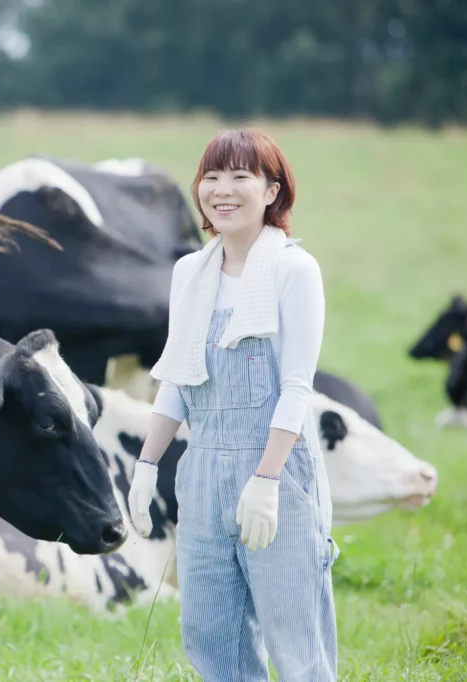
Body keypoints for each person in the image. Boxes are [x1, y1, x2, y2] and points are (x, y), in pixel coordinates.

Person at [127, 127, 339, 681]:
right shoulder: (189, 273)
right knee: (210, 634)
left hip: (279, 473)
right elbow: (177, 378)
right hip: (202, 473)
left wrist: (266, 480)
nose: (222, 189)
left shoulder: (295, 270)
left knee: (294, 635)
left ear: (272, 191)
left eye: (241, 176)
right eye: (211, 177)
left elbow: (297, 386)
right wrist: (147, 464)